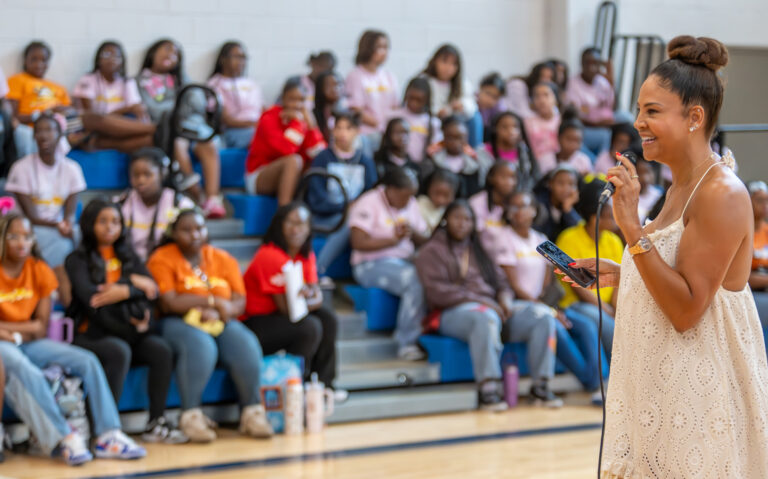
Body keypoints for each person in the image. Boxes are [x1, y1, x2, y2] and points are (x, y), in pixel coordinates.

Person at [564, 36, 768, 477]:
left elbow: (688, 310)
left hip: (698, 389)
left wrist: (632, 229)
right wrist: (623, 273)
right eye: (639, 109)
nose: (638, 122)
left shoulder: (720, 192)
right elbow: (678, 272)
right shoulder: (681, 186)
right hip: (661, 380)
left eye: (652, 111)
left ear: (694, 117)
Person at [0, 213, 145, 465]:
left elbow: (41, 327)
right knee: (24, 368)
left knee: (87, 360)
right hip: (5, 344)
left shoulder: (39, 269)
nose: (22, 243)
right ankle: (64, 437)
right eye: (13, 236)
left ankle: (108, 434)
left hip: (28, 340)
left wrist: (9, 330)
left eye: (27, 236)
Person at [414, 200, 562, 409]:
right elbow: (437, 293)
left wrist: (505, 300)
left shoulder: (478, 248)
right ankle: (488, 389)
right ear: (445, 219)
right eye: (457, 218)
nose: (462, 223)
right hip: (451, 312)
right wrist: (482, 302)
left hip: (492, 307)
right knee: (485, 317)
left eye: (467, 219)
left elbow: (502, 283)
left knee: (542, 315)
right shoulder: (431, 250)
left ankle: (541, 387)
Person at [66, 199, 187, 444]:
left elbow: (152, 291)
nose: (110, 227)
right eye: (102, 221)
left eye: (116, 222)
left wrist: (126, 289)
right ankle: (105, 428)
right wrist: (134, 287)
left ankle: (156, 422)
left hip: (128, 330)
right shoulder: (77, 259)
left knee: (161, 350)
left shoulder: (128, 255)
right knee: (118, 351)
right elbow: (93, 299)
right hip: (92, 333)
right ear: (89, 224)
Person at [147, 208, 273, 442]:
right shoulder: (162, 258)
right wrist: (212, 302)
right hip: (176, 321)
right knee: (202, 346)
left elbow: (239, 301)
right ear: (173, 233)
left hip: (218, 320)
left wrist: (220, 311)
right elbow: (169, 302)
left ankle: (252, 412)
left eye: (199, 228)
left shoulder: (222, 258)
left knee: (245, 342)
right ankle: (191, 416)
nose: (195, 235)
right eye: (186, 230)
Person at [487, 191, 607, 400]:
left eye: (524, 206)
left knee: (586, 325)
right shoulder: (503, 238)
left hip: (542, 305)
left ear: (534, 210)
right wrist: (548, 311)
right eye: (514, 207)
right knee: (555, 327)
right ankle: (592, 383)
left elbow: (548, 282)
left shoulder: (541, 239)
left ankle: (602, 380)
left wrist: (550, 307)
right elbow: (515, 287)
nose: (518, 211)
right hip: (517, 306)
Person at [241, 203, 339, 391]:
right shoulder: (269, 255)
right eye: (290, 223)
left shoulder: (306, 254)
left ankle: (323, 385)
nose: (296, 230)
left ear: (309, 228)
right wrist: (313, 298)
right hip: (256, 322)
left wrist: (312, 297)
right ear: (279, 225)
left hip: (286, 313)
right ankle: (296, 383)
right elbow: (287, 308)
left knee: (328, 319)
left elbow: (314, 294)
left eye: (301, 224)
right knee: (309, 327)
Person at [137, 38, 225, 218]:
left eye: (175, 53)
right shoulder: (141, 81)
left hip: (193, 127)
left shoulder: (182, 80)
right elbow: (153, 108)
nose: (171, 55)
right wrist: (179, 106)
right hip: (169, 129)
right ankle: (199, 196)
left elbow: (198, 104)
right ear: (153, 52)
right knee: (179, 144)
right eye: (166, 49)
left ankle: (212, 199)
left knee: (207, 145)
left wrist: (183, 89)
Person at [5, 114, 86, 307]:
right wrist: (59, 226)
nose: (43, 135)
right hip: (29, 228)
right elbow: (31, 216)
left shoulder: (72, 169)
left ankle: (75, 301)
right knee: (61, 244)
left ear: (60, 134)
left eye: (49, 130)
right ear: (33, 136)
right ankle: (59, 298)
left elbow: (70, 212)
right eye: (39, 130)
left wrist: (67, 224)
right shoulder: (21, 168)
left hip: (57, 228)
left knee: (81, 234)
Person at [349, 167, 429, 360]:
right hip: (370, 264)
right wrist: (393, 240)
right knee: (414, 280)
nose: (408, 200)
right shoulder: (369, 201)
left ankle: (428, 335)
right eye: (404, 195)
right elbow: (357, 242)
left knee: (431, 275)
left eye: (411, 195)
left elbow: (425, 239)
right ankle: (407, 343)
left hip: (404, 261)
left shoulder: (411, 203)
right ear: (390, 190)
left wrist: (412, 233)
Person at [306, 111, 377, 277]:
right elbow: (316, 199)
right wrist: (345, 207)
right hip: (324, 217)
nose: (343, 133)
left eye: (348, 128)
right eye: (338, 128)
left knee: (354, 221)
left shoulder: (365, 162)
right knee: (349, 222)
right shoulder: (323, 158)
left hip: (355, 216)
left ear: (357, 131)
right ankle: (317, 271)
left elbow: (371, 194)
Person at [556, 180, 620, 361]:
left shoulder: (614, 240)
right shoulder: (568, 238)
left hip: (607, 306)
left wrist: (616, 309)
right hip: (576, 305)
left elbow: (619, 280)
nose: (615, 219)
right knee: (606, 323)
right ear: (595, 218)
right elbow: (579, 286)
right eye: (610, 216)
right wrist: (607, 310)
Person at [245, 77, 325, 205]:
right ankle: (284, 211)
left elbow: (318, 153)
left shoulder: (303, 120)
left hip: (291, 175)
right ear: (283, 99)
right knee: (294, 161)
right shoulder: (269, 117)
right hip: (259, 176)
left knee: (314, 166)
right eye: (292, 99)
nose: (297, 105)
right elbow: (286, 150)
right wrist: (297, 124)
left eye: (301, 100)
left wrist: (312, 127)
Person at [71, 41, 157, 152]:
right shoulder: (88, 79)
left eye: (117, 56)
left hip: (119, 128)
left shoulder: (127, 81)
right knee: (91, 118)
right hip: (93, 127)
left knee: (149, 139)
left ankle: (102, 143)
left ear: (122, 61)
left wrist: (133, 110)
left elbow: (135, 107)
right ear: (98, 59)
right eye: (107, 54)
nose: (111, 59)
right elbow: (91, 113)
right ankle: (155, 128)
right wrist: (126, 110)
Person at [117, 146, 195, 261]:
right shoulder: (122, 203)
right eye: (135, 175)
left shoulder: (180, 204)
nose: (141, 181)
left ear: (162, 173)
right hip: (128, 264)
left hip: (167, 263)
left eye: (147, 175)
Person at [5, 41, 74, 158]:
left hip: (61, 126)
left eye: (43, 60)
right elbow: (12, 117)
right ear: (25, 61)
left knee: (86, 120)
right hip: (34, 127)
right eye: (34, 59)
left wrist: (63, 112)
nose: (39, 64)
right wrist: (42, 114)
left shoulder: (58, 87)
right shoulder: (17, 80)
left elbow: (70, 110)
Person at [345, 30, 399, 153]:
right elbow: (356, 110)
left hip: (389, 132)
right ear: (367, 48)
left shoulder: (389, 76)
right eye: (380, 47)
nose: (384, 52)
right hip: (368, 133)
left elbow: (396, 107)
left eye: (386, 47)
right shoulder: (355, 76)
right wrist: (379, 125)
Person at [420, 44, 481, 146]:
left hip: (455, 120)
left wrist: (462, 106)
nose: (448, 67)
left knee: (475, 118)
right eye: (444, 61)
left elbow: (471, 104)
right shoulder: (425, 81)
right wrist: (437, 112)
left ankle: (474, 151)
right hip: (434, 120)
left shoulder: (462, 83)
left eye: (453, 64)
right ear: (435, 61)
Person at [207, 41, 264, 149]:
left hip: (257, 128)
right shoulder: (215, 84)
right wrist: (256, 125)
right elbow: (226, 121)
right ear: (223, 59)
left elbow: (262, 109)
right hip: (234, 131)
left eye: (243, 57)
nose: (241, 61)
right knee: (264, 139)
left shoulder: (251, 83)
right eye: (236, 57)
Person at [564, 47, 616, 156]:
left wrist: (611, 76)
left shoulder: (602, 82)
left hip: (603, 122)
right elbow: (574, 116)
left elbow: (612, 105)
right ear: (582, 63)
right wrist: (597, 124)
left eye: (595, 63)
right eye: (588, 63)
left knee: (626, 118)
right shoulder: (573, 84)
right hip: (585, 126)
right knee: (604, 135)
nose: (591, 67)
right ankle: (601, 162)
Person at [477, 111, 539, 191]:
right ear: (495, 130)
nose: (511, 131)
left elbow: (532, 177)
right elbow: (482, 180)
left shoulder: (525, 151)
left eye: (515, 127)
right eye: (504, 127)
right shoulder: (484, 152)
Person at [424, 115, 482, 197]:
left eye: (459, 138)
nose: (455, 142)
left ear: (466, 138)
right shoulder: (433, 160)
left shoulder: (473, 165)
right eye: (450, 137)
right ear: (444, 137)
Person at [388, 77, 442, 164]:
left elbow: (436, 147)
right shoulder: (394, 115)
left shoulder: (433, 123)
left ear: (426, 100)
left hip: (419, 166)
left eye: (419, 100)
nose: (413, 103)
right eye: (411, 98)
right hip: (394, 163)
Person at [469, 160, 517, 240]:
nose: (509, 182)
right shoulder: (477, 202)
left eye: (512, 177)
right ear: (491, 178)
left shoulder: (515, 203)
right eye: (503, 177)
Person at [532, 164, 582, 241]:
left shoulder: (577, 204)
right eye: (561, 183)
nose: (566, 189)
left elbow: (579, 235)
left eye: (571, 184)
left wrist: (568, 210)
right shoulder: (539, 204)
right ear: (550, 184)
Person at [747, 180, 768, 344]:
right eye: (760, 200)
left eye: (767, 200)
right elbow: (742, 276)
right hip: (748, 292)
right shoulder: (741, 230)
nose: (765, 205)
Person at [524, 82, 561, 173]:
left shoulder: (562, 120)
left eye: (546, 95)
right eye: (537, 96)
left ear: (555, 98)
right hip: (537, 165)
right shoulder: (528, 122)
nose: (542, 100)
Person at [418, 169, 460, 233]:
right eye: (436, 193)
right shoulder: (419, 204)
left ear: (454, 195)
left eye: (446, 195)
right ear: (429, 188)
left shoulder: (451, 212)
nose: (440, 200)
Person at [312, 71, 345, 143]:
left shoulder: (347, 113)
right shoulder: (313, 115)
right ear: (320, 88)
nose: (335, 88)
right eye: (329, 85)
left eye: (338, 84)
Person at [476, 72, 507, 142]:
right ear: (481, 88)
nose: (489, 100)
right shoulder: (470, 102)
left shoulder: (499, 109)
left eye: (495, 97)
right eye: (488, 93)